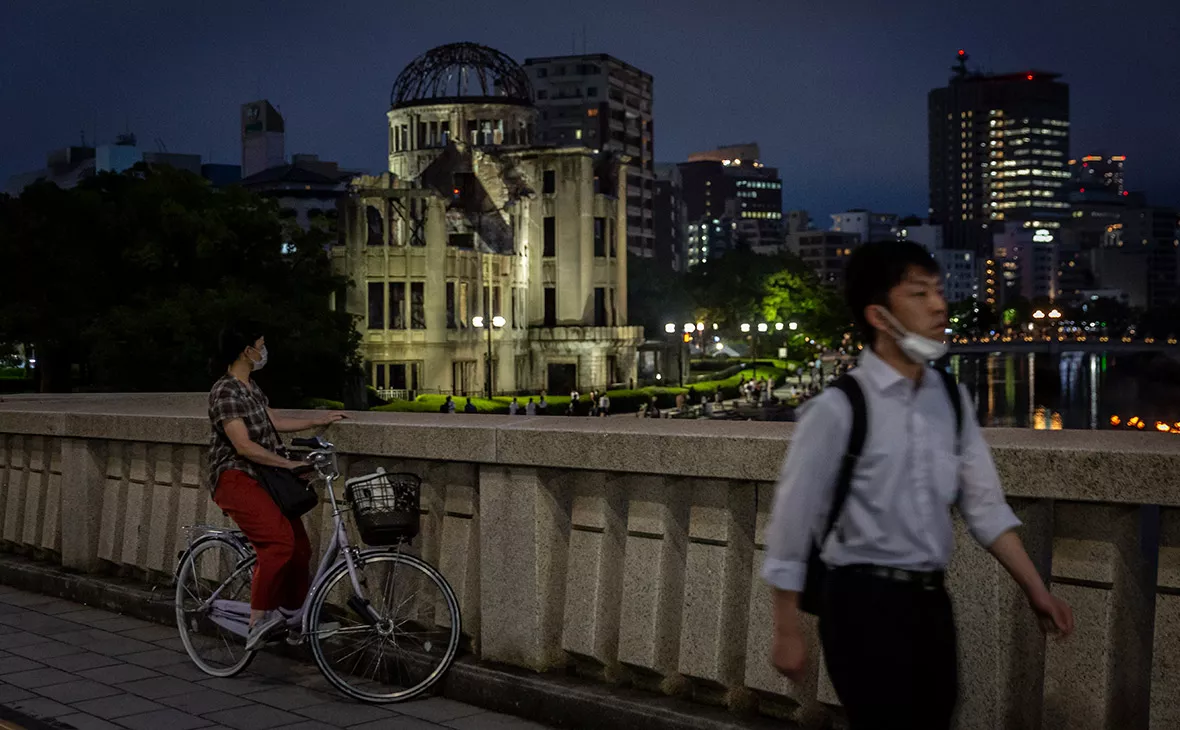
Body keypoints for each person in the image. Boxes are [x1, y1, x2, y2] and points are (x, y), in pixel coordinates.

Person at [762, 241, 1073, 729]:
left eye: (939, 290)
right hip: (859, 605)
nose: (939, 305)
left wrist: (1037, 590)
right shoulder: (839, 409)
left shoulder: (950, 399)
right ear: (880, 316)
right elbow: (791, 524)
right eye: (919, 293)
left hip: (930, 604)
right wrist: (786, 630)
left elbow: (985, 505)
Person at [207, 325, 345, 650]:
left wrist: (318, 420)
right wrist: (288, 464)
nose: (264, 351)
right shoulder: (225, 391)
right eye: (261, 345)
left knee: (300, 549)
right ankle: (258, 620)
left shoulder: (251, 387)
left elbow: (275, 421)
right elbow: (242, 446)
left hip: (266, 477)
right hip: (236, 477)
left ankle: (295, 616)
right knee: (279, 543)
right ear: (247, 351)